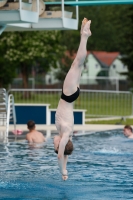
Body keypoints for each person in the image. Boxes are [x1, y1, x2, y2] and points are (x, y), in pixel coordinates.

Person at [53, 18, 92, 181]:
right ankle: (85, 35)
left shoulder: (65, 135)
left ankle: (84, 34)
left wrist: (66, 171)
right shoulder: (65, 134)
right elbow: (61, 154)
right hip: (68, 96)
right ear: (60, 144)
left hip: (71, 96)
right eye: (55, 146)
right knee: (77, 63)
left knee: (78, 64)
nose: (53, 143)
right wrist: (62, 172)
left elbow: (65, 154)